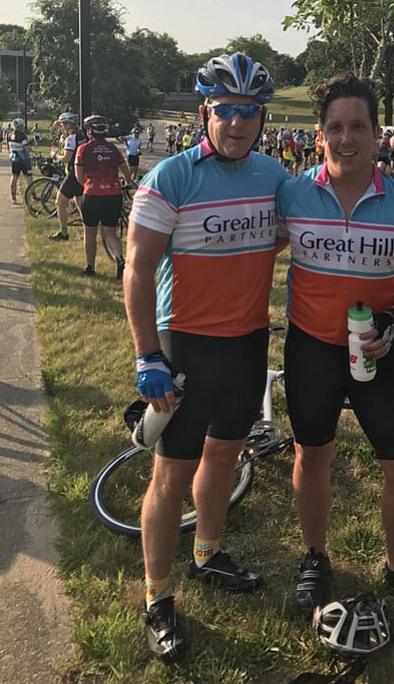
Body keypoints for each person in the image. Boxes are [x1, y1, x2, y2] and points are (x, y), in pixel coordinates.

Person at [122, 53, 288, 664]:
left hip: (247, 342)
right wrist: (147, 354)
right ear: (204, 113)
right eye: (227, 110)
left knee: (224, 454)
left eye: (250, 111)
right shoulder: (171, 177)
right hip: (184, 343)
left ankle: (208, 552)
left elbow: (302, 225)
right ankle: (157, 596)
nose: (238, 122)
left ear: (262, 118)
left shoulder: (275, 176)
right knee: (170, 473)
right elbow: (137, 269)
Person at [276, 74, 394, 621]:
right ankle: (314, 556)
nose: (345, 138)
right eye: (335, 127)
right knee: (312, 455)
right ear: (319, 133)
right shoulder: (292, 194)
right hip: (310, 350)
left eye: (357, 127)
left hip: (378, 349)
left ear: (378, 134)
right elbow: (251, 253)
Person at [75, 114, 132, 278]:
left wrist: (88, 184)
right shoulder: (113, 149)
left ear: (89, 131)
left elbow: (79, 176)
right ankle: (120, 259)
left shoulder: (83, 149)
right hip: (113, 194)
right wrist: (127, 182)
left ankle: (90, 267)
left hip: (92, 194)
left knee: (89, 233)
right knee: (110, 232)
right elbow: (125, 170)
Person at [49, 112, 85, 241]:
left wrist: (55, 155)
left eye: (63, 124)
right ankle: (88, 231)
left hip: (72, 173)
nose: (62, 127)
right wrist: (59, 127)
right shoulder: (81, 136)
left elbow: (66, 158)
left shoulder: (71, 139)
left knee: (60, 202)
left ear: (69, 124)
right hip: (82, 172)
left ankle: (63, 233)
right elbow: (65, 135)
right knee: (79, 203)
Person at [7, 118, 34, 204]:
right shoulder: (22, 136)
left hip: (14, 158)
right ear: (21, 126)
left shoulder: (9, 135)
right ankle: (32, 196)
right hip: (24, 159)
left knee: (14, 177)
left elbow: (9, 147)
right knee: (28, 178)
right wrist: (30, 147)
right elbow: (27, 149)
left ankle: (13, 197)